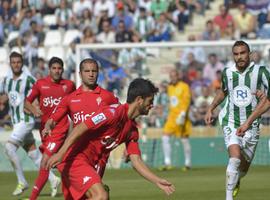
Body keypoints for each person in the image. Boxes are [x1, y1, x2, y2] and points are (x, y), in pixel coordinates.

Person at [46, 78, 175, 199]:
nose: (151, 105)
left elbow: (136, 161)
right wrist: (60, 154)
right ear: (139, 100)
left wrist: (157, 180)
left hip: (93, 166)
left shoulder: (132, 130)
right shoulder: (112, 113)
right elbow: (80, 127)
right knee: (101, 196)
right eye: (150, 101)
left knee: (101, 195)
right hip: (76, 160)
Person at [204, 40, 270, 200]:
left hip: (252, 125)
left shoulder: (261, 72)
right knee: (234, 158)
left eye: (243, 53)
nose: (239, 57)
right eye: (236, 54)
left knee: (243, 167)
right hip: (230, 121)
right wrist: (211, 107)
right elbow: (223, 91)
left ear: (250, 53)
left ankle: (237, 179)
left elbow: (268, 100)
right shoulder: (227, 72)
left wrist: (248, 123)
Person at [42, 58, 119, 179]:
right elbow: (53, 119)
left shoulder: (108, 97)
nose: (91, 74)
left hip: (98, 155)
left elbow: (122, 117)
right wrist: (47, 127)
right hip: (77, 152)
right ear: (80, 74)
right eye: (87, 71)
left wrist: (115, 137)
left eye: (94, 71)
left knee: (96, 193)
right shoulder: (70, 99)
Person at [24, 57, 76, 199]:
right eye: (54, 68)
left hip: (61, 129)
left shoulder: (69, 85)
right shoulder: (40, 84)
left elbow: (76, 103)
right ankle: (78, 190)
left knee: (45, 161)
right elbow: (27, 102)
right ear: (49, 69)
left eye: (59, 68)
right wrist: (34, 110)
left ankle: (32, 198)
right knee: (61, 163)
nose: (57, 71)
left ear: (63, 70)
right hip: (45, 131)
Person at [0, 52, 42, 196]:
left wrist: (36, 105)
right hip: (16, 121)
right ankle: (53, 178)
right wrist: (2, 101)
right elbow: (6, 95)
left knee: (9, 147)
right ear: (10, 64)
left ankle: (22, 181)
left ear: (22, 63)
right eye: (13, 62)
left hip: (26, 120)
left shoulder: (29, 79)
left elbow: (40, 90)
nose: (16, 64)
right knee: (33, 154)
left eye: (18, 62)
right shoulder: (6, 80)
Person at [160, 69, 192, 171]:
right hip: (172, 117)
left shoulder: (184, 86)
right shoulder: (169, 87)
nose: (172, 78)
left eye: (174, 76)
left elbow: (186, 100)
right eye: (171, 76)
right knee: (165, 137)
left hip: (182, 117)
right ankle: (167, 162)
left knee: (184, 140)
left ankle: (188, 163)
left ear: (178, 76)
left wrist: (183, 114)